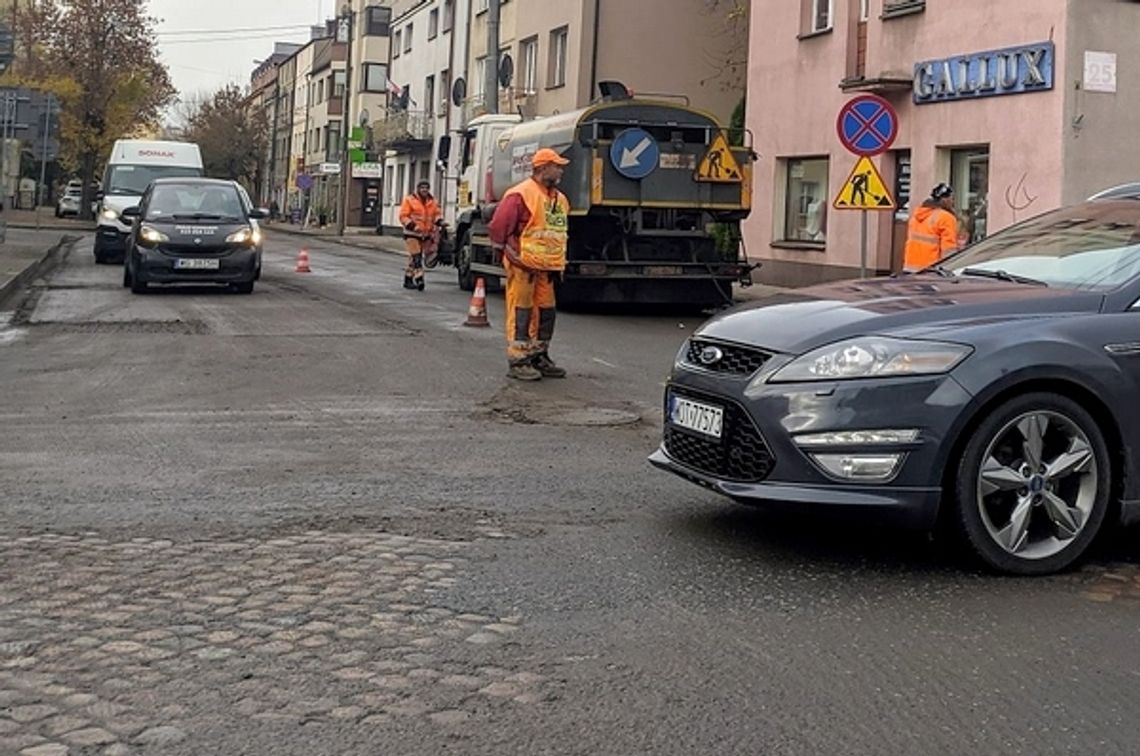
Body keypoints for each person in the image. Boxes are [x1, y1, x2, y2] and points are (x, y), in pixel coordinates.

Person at [487, 148, 571, 382]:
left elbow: (558, 232)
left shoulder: (560, 199)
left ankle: (538, 355)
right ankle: (518, 359)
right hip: (524, 265)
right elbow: (499, 227)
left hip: (547, 268)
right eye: (557, 166)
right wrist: (509, 254)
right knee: (521, 311)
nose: (561, 170)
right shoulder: (520, 194)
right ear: (543, 168)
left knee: (546, 312)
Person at [398, 180, 443, 291]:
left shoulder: (432, 202)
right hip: (411, 233)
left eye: (426, 188)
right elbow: (403, 216)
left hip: (425, 234)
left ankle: (408, 279)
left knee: (414, 258)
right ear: (418, 189)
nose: (424, 190)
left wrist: (440, 222)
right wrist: (413, 226)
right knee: (417, 257)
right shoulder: (410, 200)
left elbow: (436, 215)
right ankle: (419, 279)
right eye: (422, 188)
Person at [903, 183, 959, 271]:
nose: (953, 202)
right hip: (931, 271)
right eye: (952, 198)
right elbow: (948, 250)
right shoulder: (946, 218)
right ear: (945, 199)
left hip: (910, 268)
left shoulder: (917, 215)